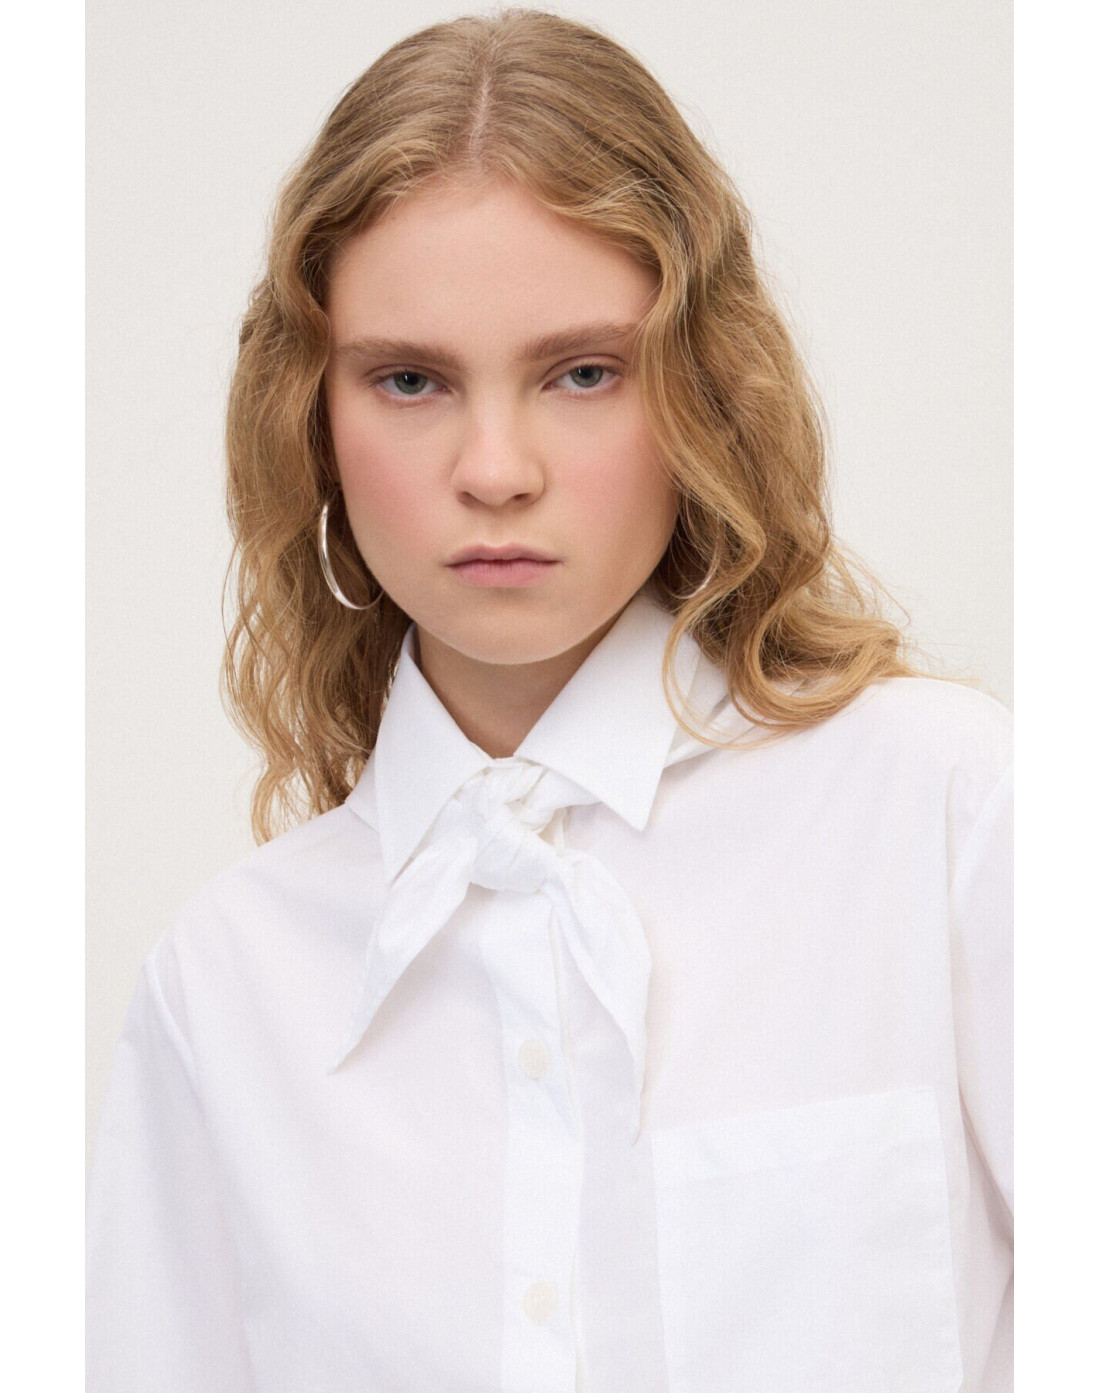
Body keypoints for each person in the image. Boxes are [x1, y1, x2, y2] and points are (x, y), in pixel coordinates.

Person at [86, 9, 1012, 1392]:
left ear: (703, 388)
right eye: (411, 380)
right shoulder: (226, 985)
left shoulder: (948, 816)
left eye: (582, 372)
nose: (496, 469)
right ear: (309, 417)